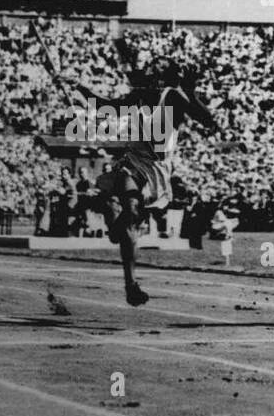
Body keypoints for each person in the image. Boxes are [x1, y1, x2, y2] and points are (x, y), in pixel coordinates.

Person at [70, 58, 219, 306]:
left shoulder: (172, 97)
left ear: (163, 77)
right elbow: (104, 106)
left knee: (127, 226)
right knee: (131, 209)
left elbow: (208, 121)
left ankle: (117, 227)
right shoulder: (137, 97)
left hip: (158, 169)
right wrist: (79, 87)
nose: (149, 72)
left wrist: (191, 94)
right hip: (134, 162)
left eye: (156, 69)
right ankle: (131, 285)